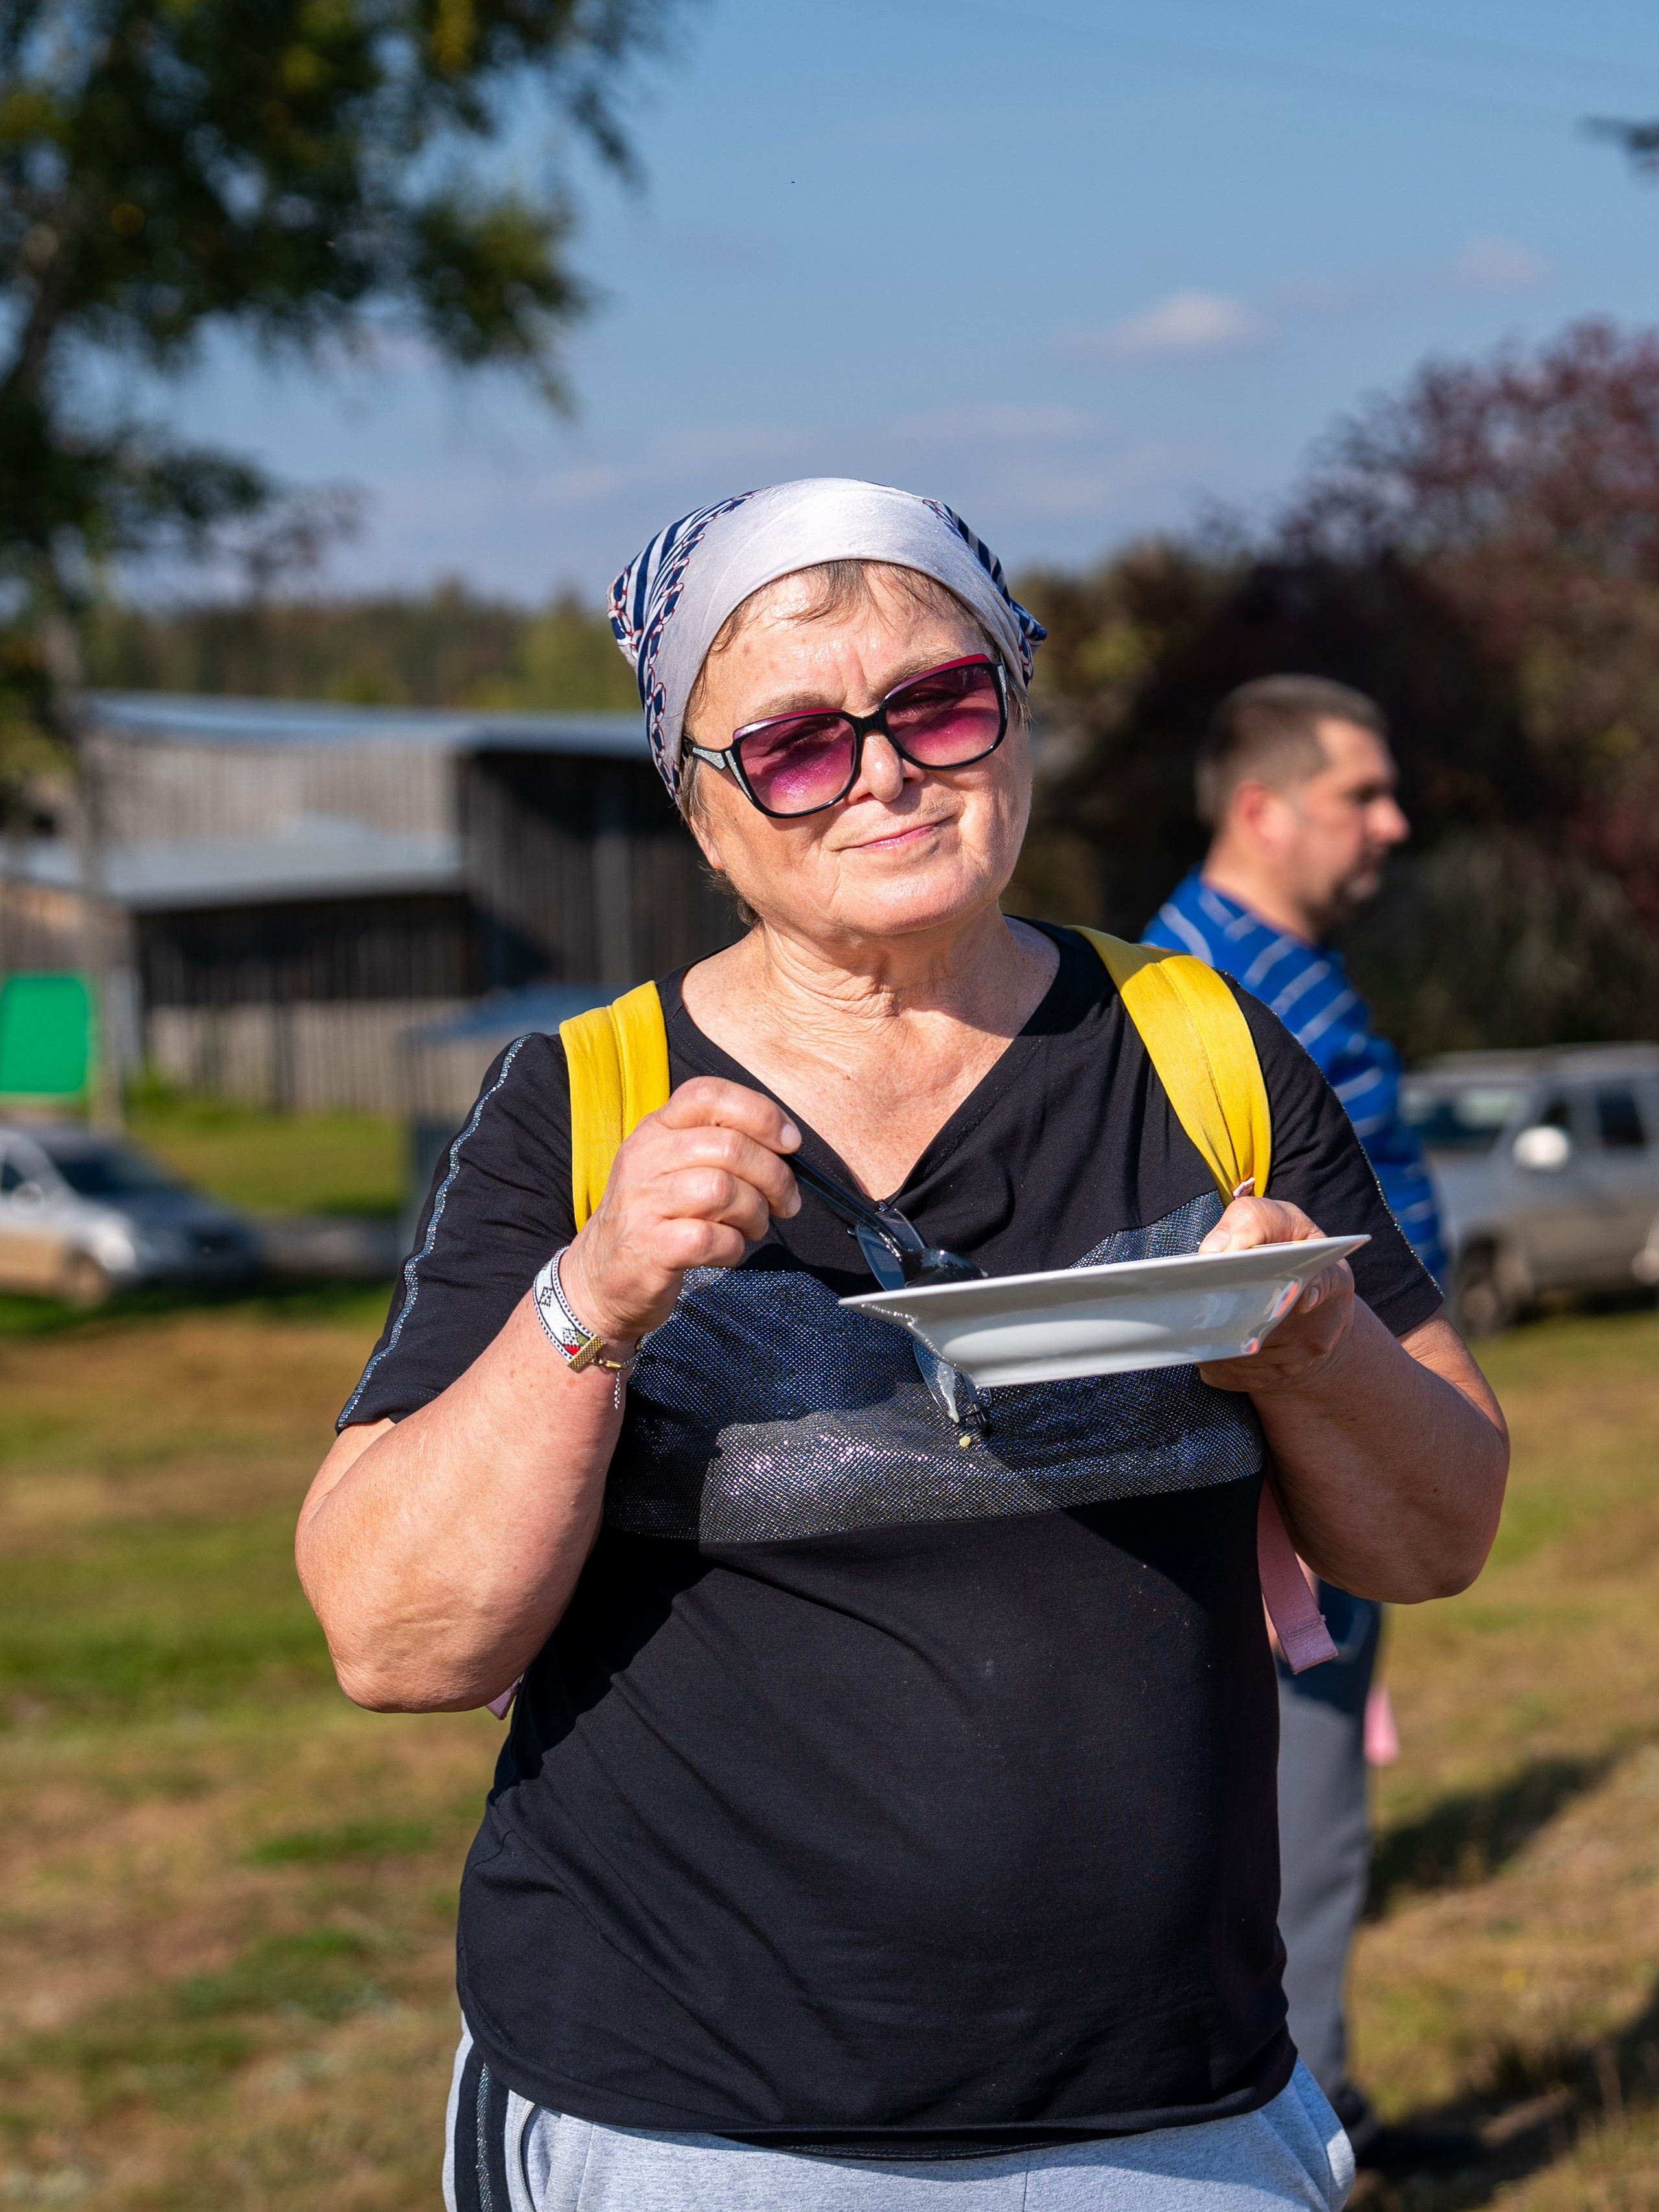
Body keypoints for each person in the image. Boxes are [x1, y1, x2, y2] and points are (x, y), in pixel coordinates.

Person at [297, 485, 1507, 2212]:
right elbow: (393, 1634)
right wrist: (596, 1295)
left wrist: (1316, 1340)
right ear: (705, 814)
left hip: (1170, 2117)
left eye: (940, 703)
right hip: (684, 2121)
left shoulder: (1202, 1048)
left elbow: (1437, 1529)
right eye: (793, 744)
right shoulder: (585, 1100)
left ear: (1018, 711)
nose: (884, 772)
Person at [1143, 674, 1465, 2172]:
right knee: (1288, 1816)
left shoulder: (1267, 972)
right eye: (1360, 793)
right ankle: (1294, 2129)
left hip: (1351, 1443)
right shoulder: (1199, 1001)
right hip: (1282, 1480)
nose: (1391, 824)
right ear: (1260, 808)